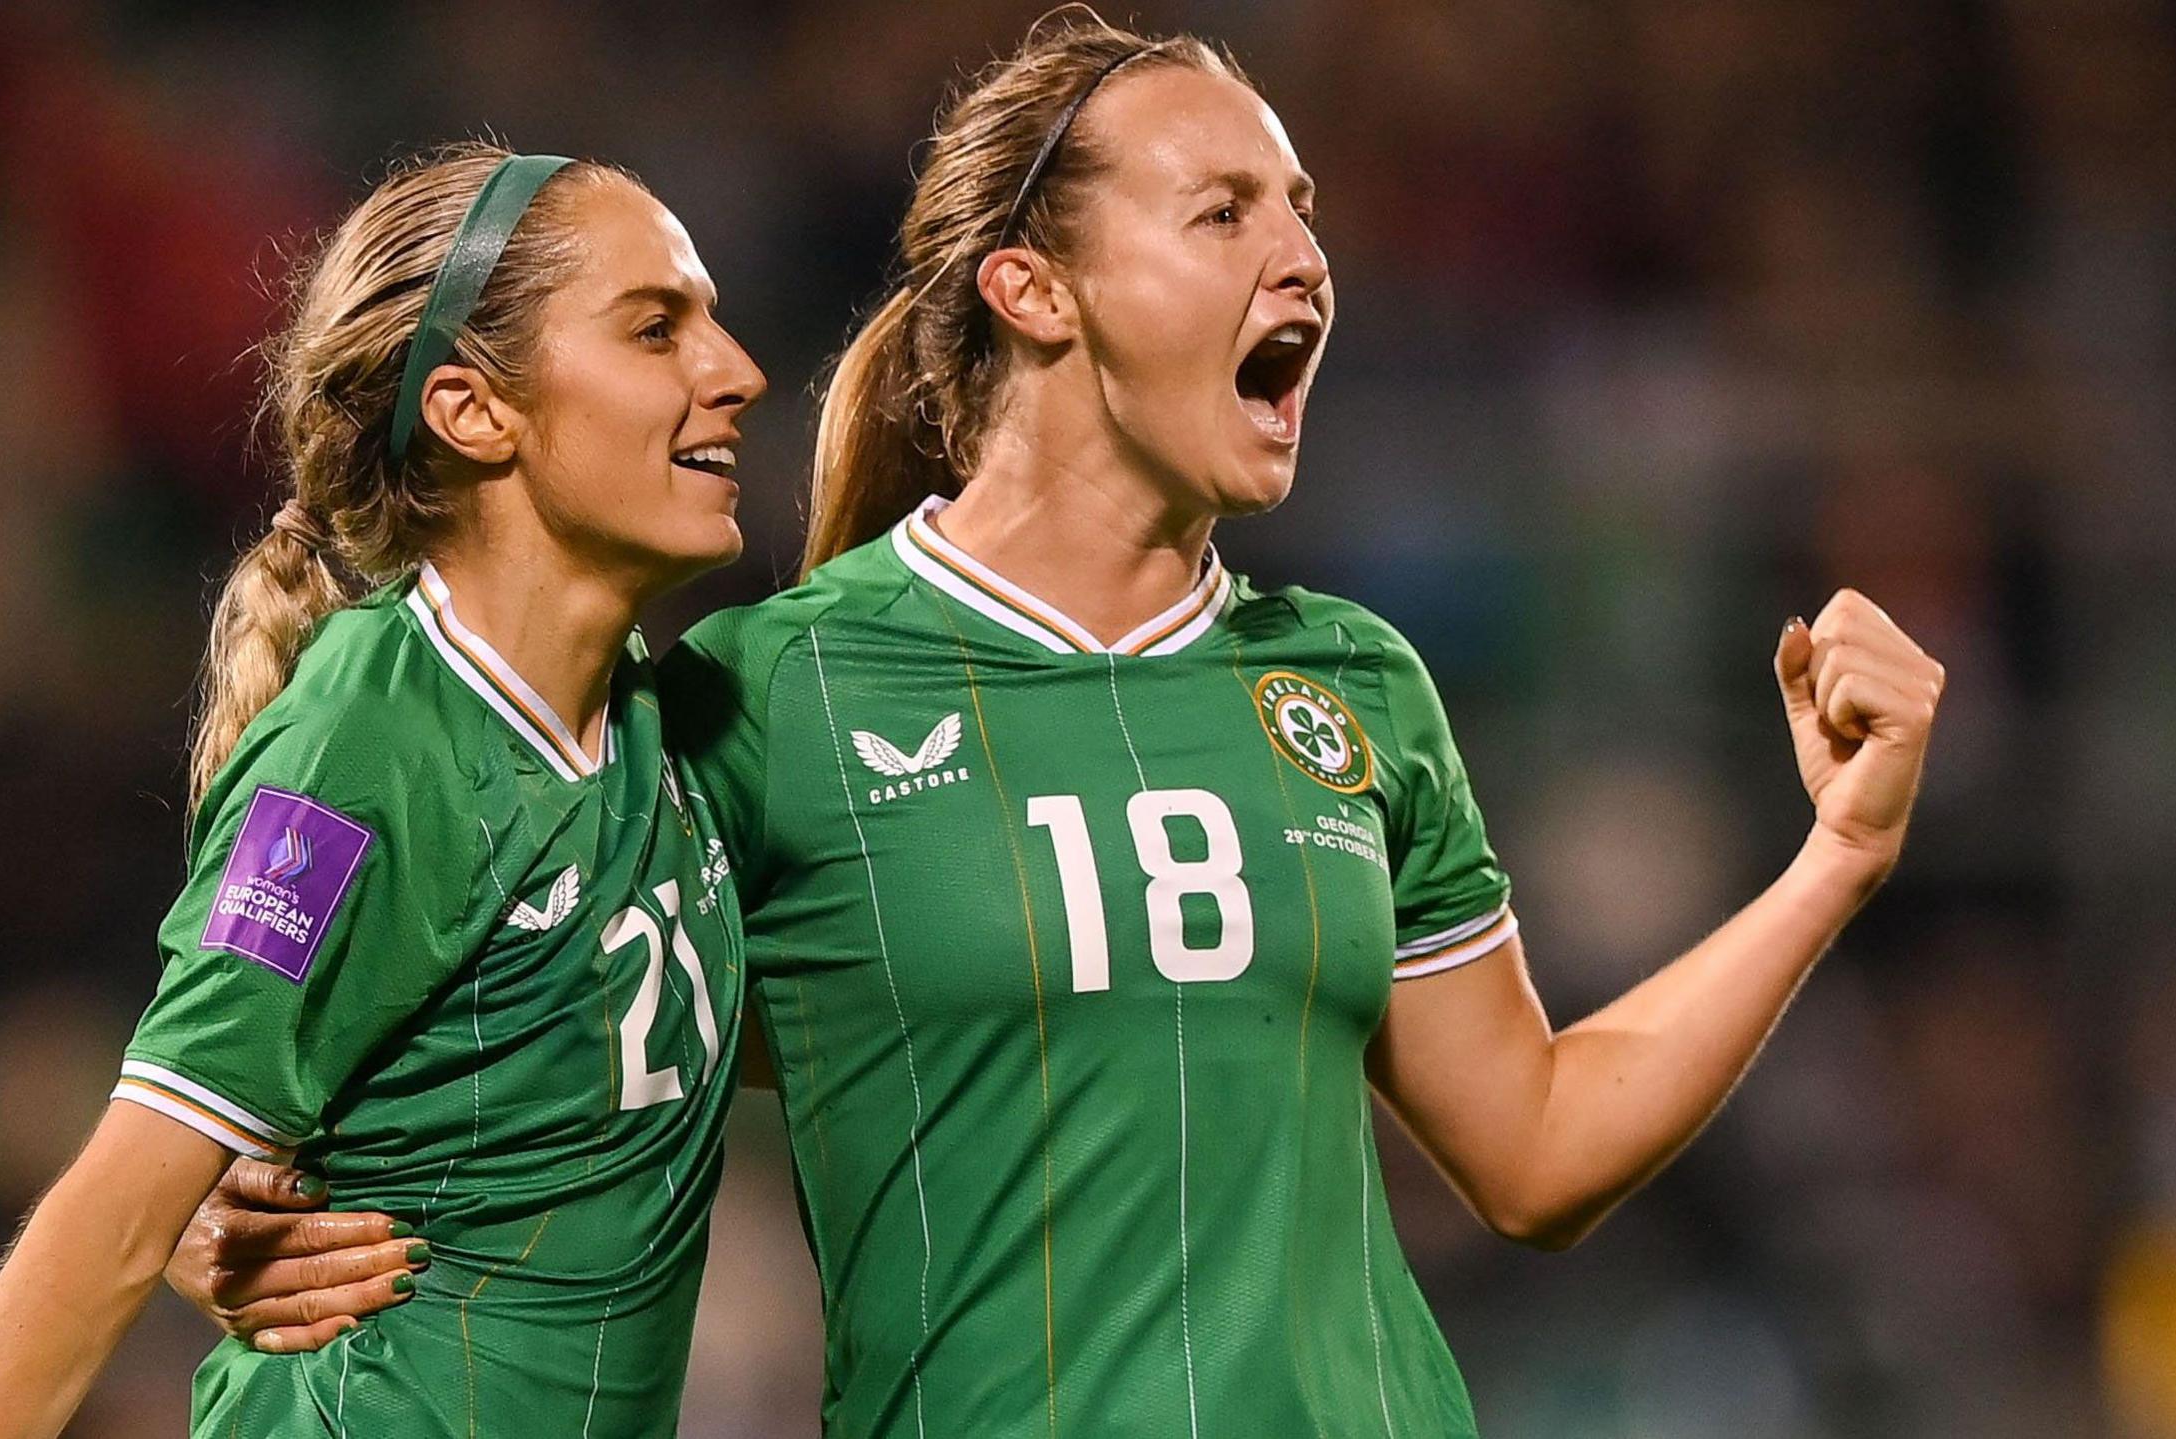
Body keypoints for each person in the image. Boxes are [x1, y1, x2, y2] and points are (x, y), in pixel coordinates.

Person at [171, 15, 1947, 1437]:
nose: (1305, 256)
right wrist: (220, 1189)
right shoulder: (762, 702)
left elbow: (1538, 1151)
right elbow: (473, 987)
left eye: (1305, 206)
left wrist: (1836, 862)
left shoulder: (1351, 686)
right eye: (1227, 210)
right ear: (1035, 287)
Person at [0, 142, 767, 1438]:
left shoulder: (658, 720)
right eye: (656, 329)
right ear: (477, 411)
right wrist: (194, 1199)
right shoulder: (383, 732)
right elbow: (116, 1211)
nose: (736, 371)